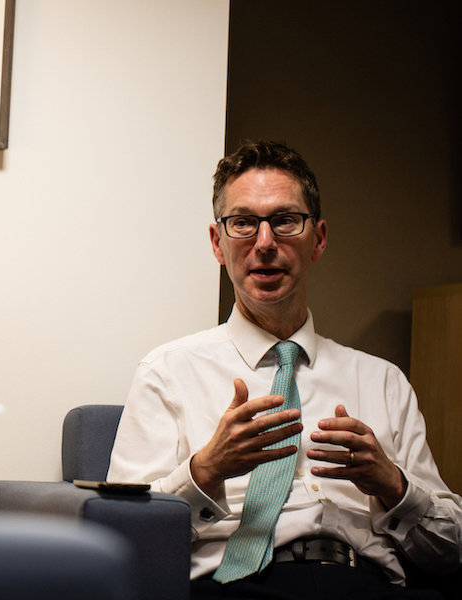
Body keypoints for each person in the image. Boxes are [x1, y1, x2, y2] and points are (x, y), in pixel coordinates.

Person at [107, 141, 461, 599]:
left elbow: (450, 552)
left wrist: (393, 486)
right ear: (218, 243)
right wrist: (205, 470)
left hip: (362, 583)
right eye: (243, 223)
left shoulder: (384, 381)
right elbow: (122, 539)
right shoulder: (167, 372)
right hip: (230, 587)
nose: (265, 243)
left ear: (319, 239)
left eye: (285, 220)